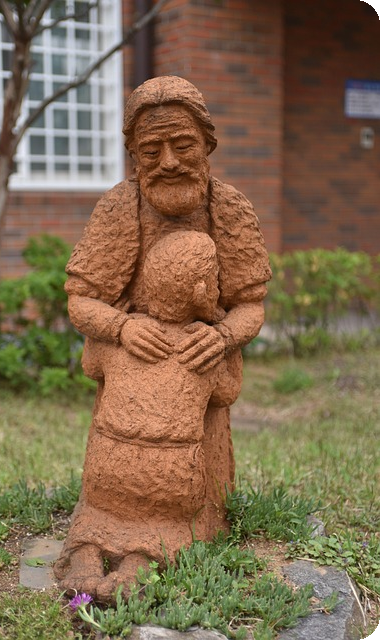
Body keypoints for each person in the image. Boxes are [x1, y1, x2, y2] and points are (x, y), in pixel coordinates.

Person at [63, 75, 271, 535]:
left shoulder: (230, 209)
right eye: (151, 151)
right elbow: (81, 300)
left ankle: (202, 519)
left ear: (207, 145)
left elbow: (251, 306)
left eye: (183, 145)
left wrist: (223, 337)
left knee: (201, 480)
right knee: (115, 464)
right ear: (134, 156)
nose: (169, 162)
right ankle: (106, 516)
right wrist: (121, 328)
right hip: (133, 364)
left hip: (200, 366)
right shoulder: (120, 207)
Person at [54, 230, 242, 601]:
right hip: (171, 470)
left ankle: (85, 559)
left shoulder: (122, 341)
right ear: (201, 291)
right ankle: (137, 567)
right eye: (215, 282)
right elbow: (227, 393)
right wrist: (225, 340)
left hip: (109, 463)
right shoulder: (202, 351)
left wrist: (117, 323)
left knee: (100, 512)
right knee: (167, 523)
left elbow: (90, 365)